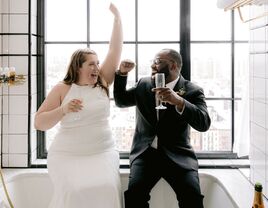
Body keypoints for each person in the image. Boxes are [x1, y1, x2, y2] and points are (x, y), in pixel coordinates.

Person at [34, 3, 123, 208]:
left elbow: (115, 49)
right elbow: (39, 123)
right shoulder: (62, 89)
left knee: (108, 189)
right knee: (73, 192)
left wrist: (117, 19)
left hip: (102, 152)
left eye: (98, 63)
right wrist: (63, 110)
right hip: (68, 155)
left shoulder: (102, 81)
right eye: (91, 64)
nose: (97, 67)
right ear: (78, 67)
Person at [114, 48, 211, 208]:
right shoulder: (143, 84)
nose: (152, 65)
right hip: (146, 155)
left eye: (157, 62)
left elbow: (204, 123)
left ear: (173, 66)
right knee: (134, 196)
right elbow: (121, 101)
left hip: (178, 155)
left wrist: (179, 101)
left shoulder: (192, 90)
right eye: (152, 61)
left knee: (192, 198)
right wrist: (122, 74)